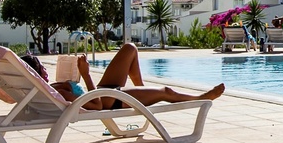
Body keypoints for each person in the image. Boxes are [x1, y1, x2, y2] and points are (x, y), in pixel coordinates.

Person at [22, 44, 224, 110]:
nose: (45, 69)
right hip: (111, 100)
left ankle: (142, 92)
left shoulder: (50, 88)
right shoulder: (56, 91)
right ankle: (200, 98)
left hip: (106, 91)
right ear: (37, 73)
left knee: (130, 49)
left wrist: (72, 78)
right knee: (166, 91)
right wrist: (86, 74)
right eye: (41, 67)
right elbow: (96, 105)